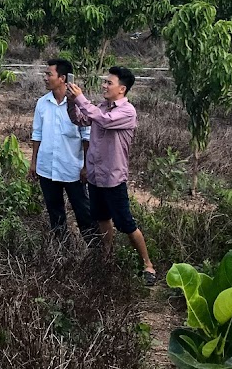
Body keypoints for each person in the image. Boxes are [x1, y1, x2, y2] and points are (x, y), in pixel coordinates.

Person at [66, 66, 156, 284]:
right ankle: (106, 257)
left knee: (125, 223)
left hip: (113, 178)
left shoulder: (126, 111)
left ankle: (148, 265)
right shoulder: (101, 106)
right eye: (104, 82)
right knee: (102, 218)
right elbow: (80, 120)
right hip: (96, 176)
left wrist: (80, 98)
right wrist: (71, 102)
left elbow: (104, 120)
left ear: (122, 89)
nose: (104, 86)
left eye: (109, 83)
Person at [30, 59, 95, 244]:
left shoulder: (79, 104)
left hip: (72, 169)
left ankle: (96, 252)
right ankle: (61, 251)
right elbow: (37, 134)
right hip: (47, 168)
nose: (45, 78)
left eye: (49, 74)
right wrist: (33, 163)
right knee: (55, 213)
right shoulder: (42, 103)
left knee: (83, 212)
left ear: (62, 78)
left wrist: (85, 166)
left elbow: (86, 136)